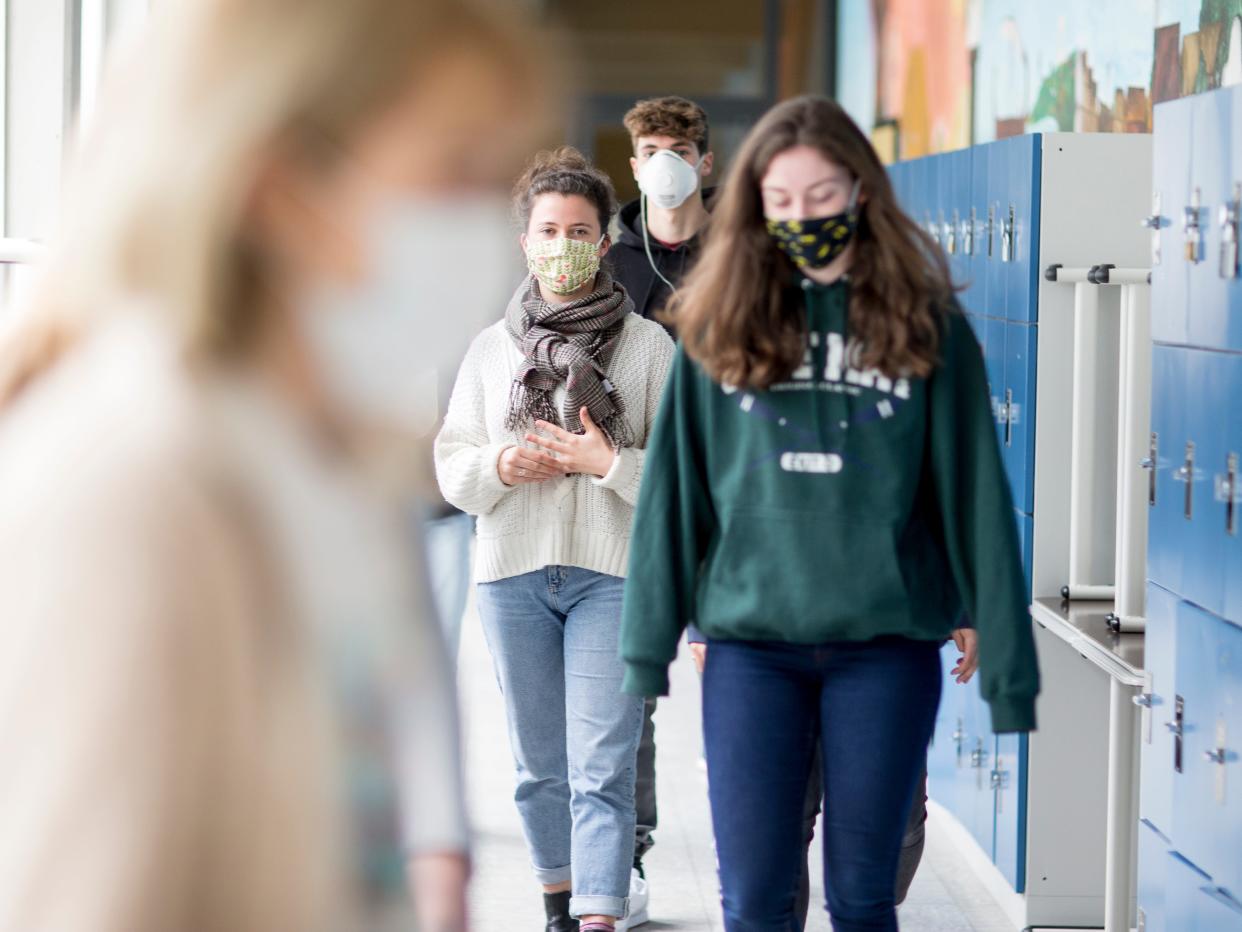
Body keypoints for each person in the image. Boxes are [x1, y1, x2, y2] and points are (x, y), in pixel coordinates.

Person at [0, 1, 545, 929]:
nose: (488, 229)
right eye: (454, 170)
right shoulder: (130, 488)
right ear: (281, 182)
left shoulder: (340, 463)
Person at [619, 96, 1040, 932]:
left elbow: (974, 494)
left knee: (862, 898)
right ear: (755, 207)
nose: (803, 218)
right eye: (782, 203)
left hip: (884, 651)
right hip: (749, 652)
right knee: (756, 904)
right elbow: (675, 494)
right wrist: (645, 649)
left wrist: (1009, 664)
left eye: (821, 198)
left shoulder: (926, 326)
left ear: (860, 194)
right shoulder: (715, 324)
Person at [435, 147, 675, 932]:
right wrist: (502, 463)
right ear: (525, 242)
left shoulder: (646, 349)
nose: (563, 243)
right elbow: (453, 467)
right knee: (540, 770)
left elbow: (683, 480)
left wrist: (608, 462)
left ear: (606, 243)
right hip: (512, 578)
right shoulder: (488, 350)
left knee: (602, 766)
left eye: (580, 230)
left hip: (615, 576)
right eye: (549, 229)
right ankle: (560, 904)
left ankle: (601, 916)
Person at [606, 93, 715, 887]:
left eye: (679, 148)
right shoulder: (612, 265)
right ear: (633, 165)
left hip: (727, 498)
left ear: (705, 162)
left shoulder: (743, 257)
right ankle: (631, 856)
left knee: (739, 671)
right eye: (650, 149)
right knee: (625, 691)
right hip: (634, 494)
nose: (665, 162)